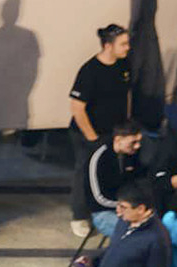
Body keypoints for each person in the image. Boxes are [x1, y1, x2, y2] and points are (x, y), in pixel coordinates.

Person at [69, 25, 134, 237]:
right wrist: (93, 139)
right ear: (108, 45)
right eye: (123, 44)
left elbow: (126, 97)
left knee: (111, 170)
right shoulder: (90, 71)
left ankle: (111, 208)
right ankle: (79, 215)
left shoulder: (124, 65)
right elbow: (78, 108)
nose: (127, 47)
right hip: (89, 133)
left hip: (113, 132)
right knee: (84, 172)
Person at [83, 121, 148, 239]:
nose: (137, 146)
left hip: (128, 206)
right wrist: (124, 206)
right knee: (135, 236)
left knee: (151, 229)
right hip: (102, 211)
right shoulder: (99, 157)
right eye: (133, 142)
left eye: (139, 142)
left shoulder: (132, 154)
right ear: (118, 139)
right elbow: (98, 198)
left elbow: (139, 179)